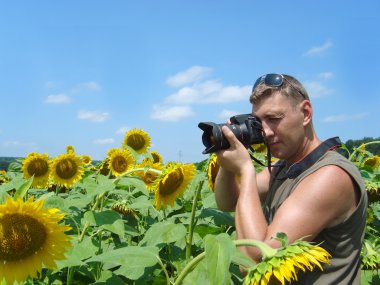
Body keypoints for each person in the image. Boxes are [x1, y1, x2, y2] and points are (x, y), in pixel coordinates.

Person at [214, 73, 368, 284]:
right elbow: (227, 202)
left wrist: (246, 170)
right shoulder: (284, 167)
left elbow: (252, 262)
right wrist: (227, 153)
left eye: (274, 119)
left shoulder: (330, 176)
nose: (265, 132)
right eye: (258, 123)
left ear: (305, 113)